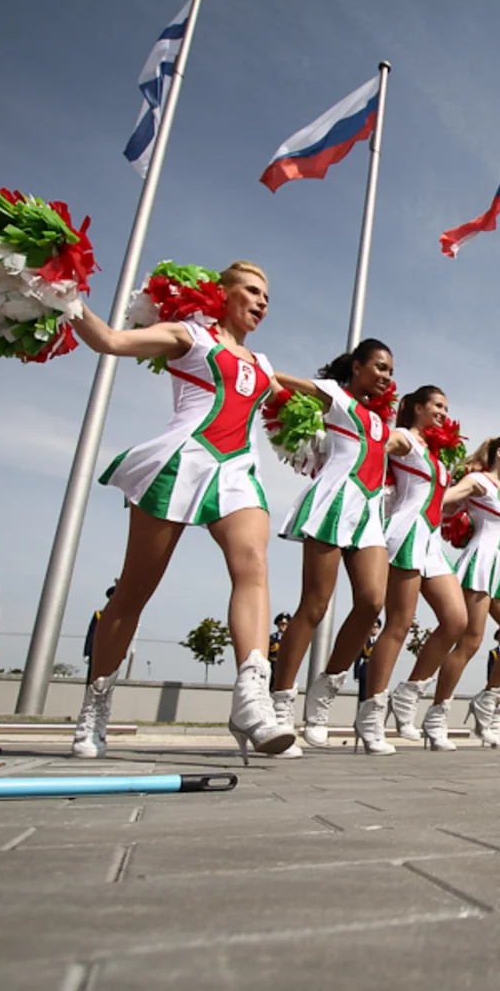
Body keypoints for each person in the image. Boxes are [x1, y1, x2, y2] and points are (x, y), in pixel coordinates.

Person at [70, 262, 295, 760]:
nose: (261, 303)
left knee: (253, 565)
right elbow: (110, 340)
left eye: (267, 297)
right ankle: (96, 702)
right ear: (223, 292)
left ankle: (251, 698)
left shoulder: (261, 363)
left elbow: (297, 409)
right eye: (252, 291)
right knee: (133, 591)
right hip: (182, 463)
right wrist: (63, 293)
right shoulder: (187, 336)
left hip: (237, 471)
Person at [270, 338, 397, 753]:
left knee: (372, 602)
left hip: (369, 514)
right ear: (356, 367)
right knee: (315, 604)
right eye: (379, 367)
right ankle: (280, 703)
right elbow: (280, 382)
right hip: (334, 503)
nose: (385, 376)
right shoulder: (336, 397)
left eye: (390, 371)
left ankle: (324, 694)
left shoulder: (381, 423)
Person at [366, 386, 469, 752]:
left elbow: (442, 500)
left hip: (431, 541)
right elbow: (374, 448)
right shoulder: (405, 440)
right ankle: (371, 713)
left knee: (457, 620)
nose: (443, 412)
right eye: (437, 405)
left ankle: (407, 693)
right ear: (417, 408)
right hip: (406, 533)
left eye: (445, 406)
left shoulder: (434, 455)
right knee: (399, 623)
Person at [428, 435, 500, 748]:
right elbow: (446, 498)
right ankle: (437, 713)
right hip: (480, 562)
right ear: (499, 453)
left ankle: (487, 703)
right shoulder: (479, 481)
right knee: (471, 641)